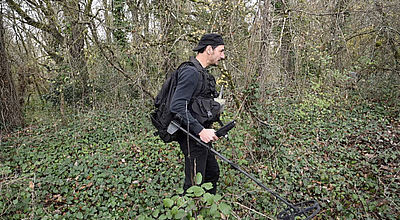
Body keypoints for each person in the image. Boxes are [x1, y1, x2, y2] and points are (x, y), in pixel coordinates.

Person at [170, 33, 225, 195]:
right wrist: (200, 130)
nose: (223, 56)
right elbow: (177, 105)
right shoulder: (191, 72)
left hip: (200, 135)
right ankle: (190, 211)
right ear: (209, 49)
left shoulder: (202, 73)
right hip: (192, 136)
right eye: (220, 51)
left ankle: (207, 209)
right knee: (194, 185)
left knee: (211, 173)